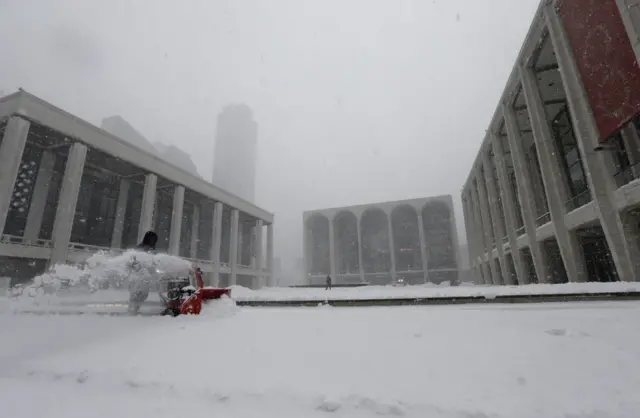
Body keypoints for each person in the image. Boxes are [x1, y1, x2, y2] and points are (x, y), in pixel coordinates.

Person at [128, 230, 158, 314]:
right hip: (137, 277)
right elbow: (132, 262)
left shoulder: (151, 251)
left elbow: (152, 264)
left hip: (145, 279)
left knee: (143, 295)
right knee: (135, 294)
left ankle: (135, 308)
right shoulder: (139, 249)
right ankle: (132, 310)